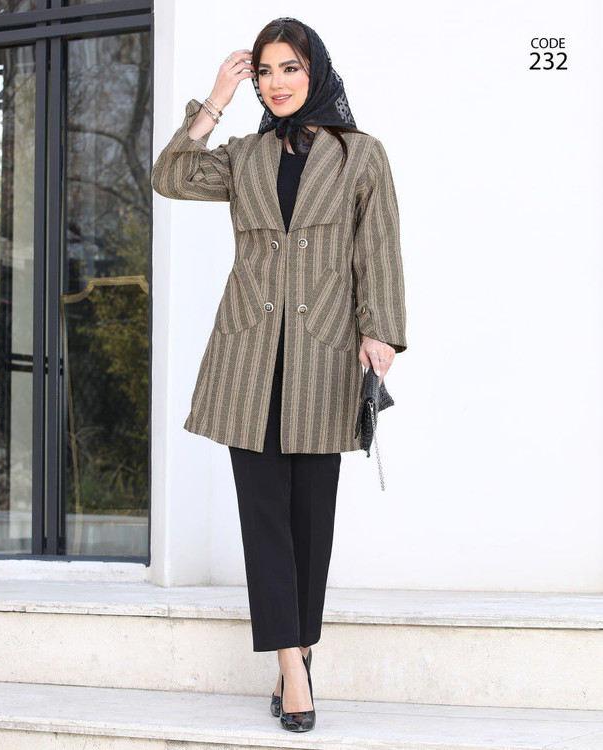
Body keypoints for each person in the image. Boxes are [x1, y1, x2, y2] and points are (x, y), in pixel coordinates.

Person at [151, 16, 407, 734]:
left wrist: (379, 329)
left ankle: (296, 650)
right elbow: (170, 176)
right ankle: (293, 665)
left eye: (289, 68)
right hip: (249, 357)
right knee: (263, 518)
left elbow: (379, 245)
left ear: (314, 71)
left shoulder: (361, 154)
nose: (276, 82)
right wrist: (215, 98)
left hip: (323, 354)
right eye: (264, 71)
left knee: (309, 521)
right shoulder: (245, 154)